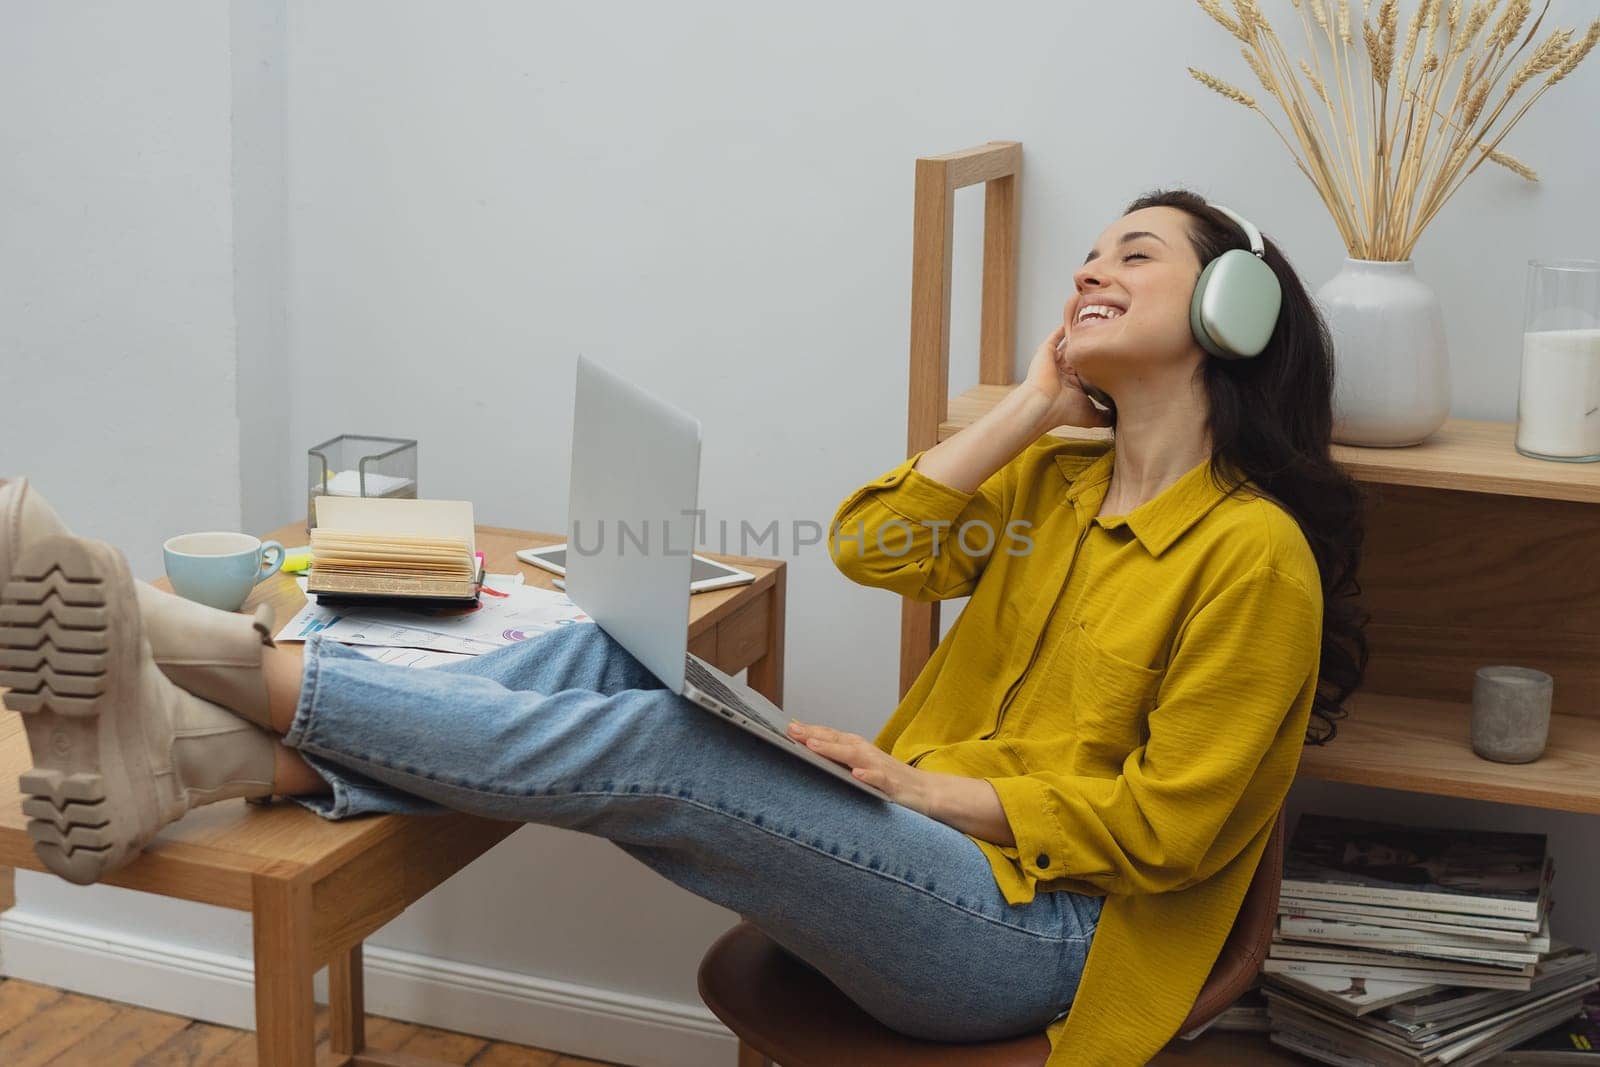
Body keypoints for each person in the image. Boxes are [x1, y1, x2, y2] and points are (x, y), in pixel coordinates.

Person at [0, 189, 1367, 1064]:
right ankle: (204, 756)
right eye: (1083, 257)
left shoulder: (1257, 559)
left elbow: (1173, 832)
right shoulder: (1055, 481)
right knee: (609, 647)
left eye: (1132, 254)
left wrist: (928, 790)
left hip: (1035, 938)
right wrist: (1024, 408)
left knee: (659, 735)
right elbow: (871, 547)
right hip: (919, 850)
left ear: (1225, 312)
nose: (1088, 274)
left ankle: (203, 654)